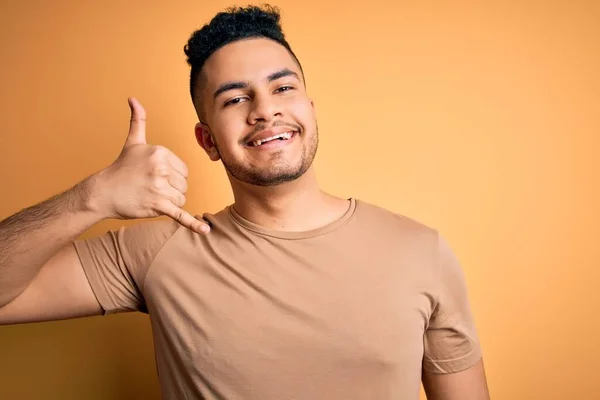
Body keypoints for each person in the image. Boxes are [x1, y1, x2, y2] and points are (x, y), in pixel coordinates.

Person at [0, 5, 490, 400]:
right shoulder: (157, 252)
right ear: (207, 140)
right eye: (235, 99)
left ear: (309, 111)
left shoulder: (420, 251)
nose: (265, 109)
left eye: (283, 87)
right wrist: (93, 196)